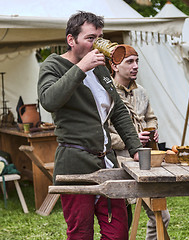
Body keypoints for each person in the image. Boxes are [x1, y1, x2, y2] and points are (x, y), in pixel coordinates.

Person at [38, 11, 142, 240]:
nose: (98, 43)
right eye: (91, 38)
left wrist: (135, 149)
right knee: (80, 235)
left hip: (107, 163)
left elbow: (118, 111)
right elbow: (49, 101)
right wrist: (80, 68)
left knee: (118, 234)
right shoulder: (53, 65)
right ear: (71, 40)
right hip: (75, 164)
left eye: (100, 37)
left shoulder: (101, 68)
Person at [109, 44, 170, 240]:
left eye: (137, 61)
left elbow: (151, 117)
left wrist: (151, 130)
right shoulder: (106, 94)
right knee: (122, 222)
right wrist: (129, 142)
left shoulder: (141, 91)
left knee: (161, 215)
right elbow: (103, 135)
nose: (135, 66)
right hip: (118, 163)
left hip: (144, 163)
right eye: (129, 62)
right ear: (115, 65)